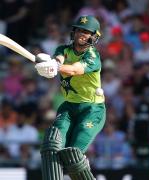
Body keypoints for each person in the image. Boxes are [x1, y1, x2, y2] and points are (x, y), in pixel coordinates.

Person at [34, 15, 106, 180]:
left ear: (94, 36)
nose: (82, 34)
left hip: (92, 110)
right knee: (52, 146)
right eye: (80, 30)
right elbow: (59, 59)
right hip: (68, 106)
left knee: (72, 155)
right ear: (73, 32)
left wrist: (56, 66)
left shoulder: (93, 57)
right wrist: (50, 65)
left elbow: (74, 69)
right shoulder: (63, 49)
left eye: (87, 32)